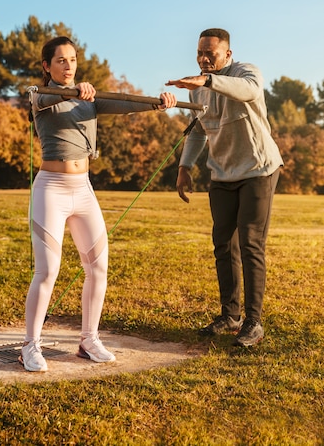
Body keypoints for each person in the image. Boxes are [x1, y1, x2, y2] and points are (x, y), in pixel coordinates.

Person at [20, 35, 177, 372]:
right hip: (51, 188)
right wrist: (75, 91)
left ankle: (88, 340)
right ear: (47, 66)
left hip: (83, 189)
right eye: (60, 60)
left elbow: (125, 103)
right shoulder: (41, 96)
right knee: (47, 271)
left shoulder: (89, 100)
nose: (68, 65)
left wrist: (157, 103)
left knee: (98, 268)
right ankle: (31, 345)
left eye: (72, 60)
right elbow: (46, 97)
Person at [166, 28, 282, 347]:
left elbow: (247, 90)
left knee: (251, 243)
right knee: (223, 244)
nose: (204, 60)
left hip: (258, 168)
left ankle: (253, 322)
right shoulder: (198, 89)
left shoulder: (246, 72)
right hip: (222, 173)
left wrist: (206, 80)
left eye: (211, 54)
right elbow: (200, 131)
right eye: (200, 54)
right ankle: (230, 316)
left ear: (227, 54)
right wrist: (185, 167)